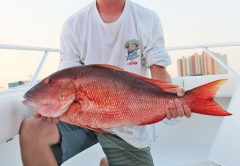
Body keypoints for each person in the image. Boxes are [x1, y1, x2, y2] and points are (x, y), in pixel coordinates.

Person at [19, 0, 192, 166]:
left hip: (126, 122)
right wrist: (50, 106)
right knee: (32, 130)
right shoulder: (73, 24)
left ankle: (109, 163)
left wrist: (172, 99)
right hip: (78, 118)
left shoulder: (147, 18)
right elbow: (66, 77)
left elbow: (159, 71)